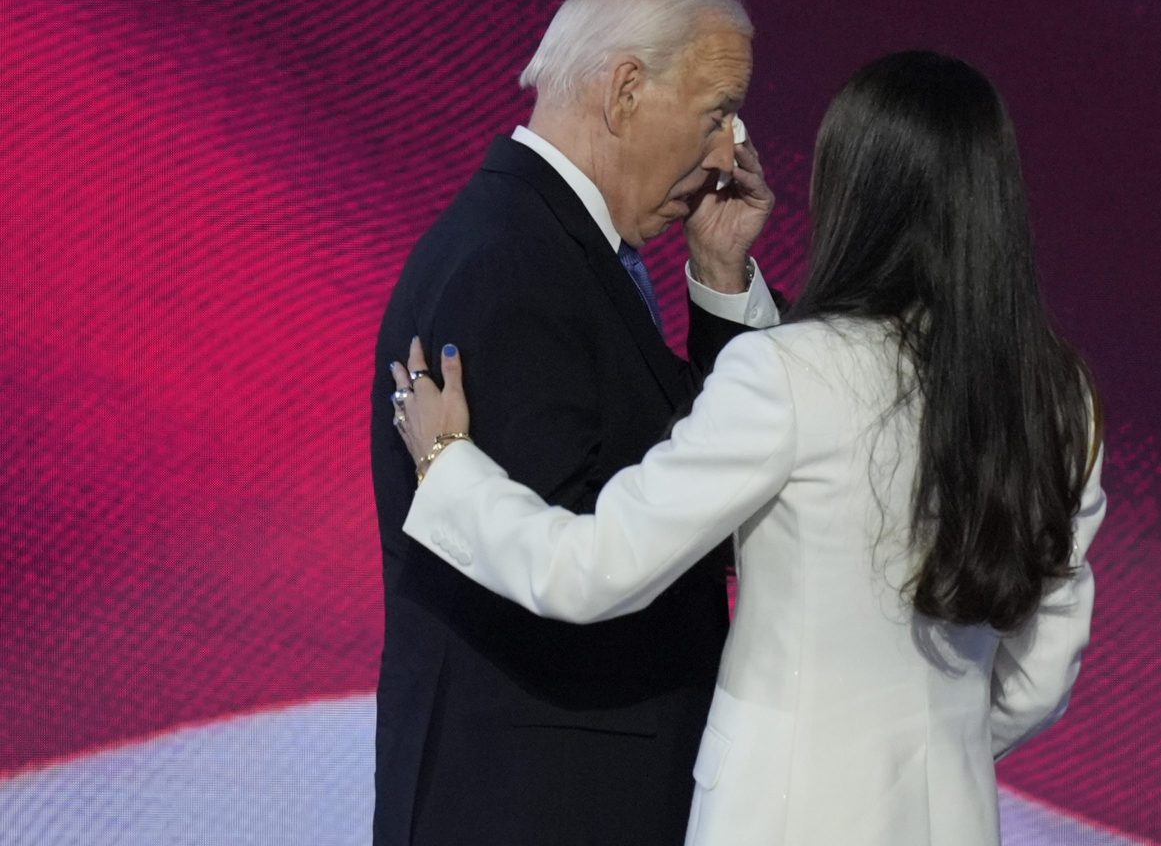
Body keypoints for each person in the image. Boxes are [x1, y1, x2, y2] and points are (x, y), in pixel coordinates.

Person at [385, 51, 1107, 845]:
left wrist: (448, 466)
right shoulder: (1059, 399)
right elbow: (1039, 677)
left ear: (853, 194)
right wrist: (930, 748)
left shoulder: (789, 373)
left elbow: (592, 568)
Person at [370, 0, 781, 846]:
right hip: (538, 803)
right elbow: (601, 543)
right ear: (626, 90)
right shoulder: (509, 264)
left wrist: (718, 281)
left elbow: (698, 471)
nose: (730, 158)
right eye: (716, 118)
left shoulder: (562, 252)